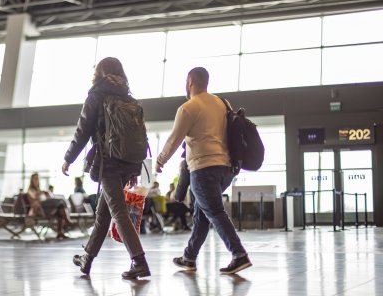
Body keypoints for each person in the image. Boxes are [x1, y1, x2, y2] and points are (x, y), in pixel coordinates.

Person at [155, 66, 251, 275]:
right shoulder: (222, 103)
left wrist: (160, 161)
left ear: (190, 81)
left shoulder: (189, 108)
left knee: (214, 212)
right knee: (202, 215)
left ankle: (239, 254)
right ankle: (189, 257)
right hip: (225, 169)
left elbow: (174, 140)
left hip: (203, 169)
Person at [63, 56, 150, 279]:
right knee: (104, 215)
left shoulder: (96, 95)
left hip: (109, 162)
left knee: (118, 211)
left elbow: (82, 131)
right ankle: (87, 259)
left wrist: (68, 158)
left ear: (99, 73)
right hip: (128, 161)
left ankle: (139, 261)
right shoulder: (129, 98)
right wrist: (135, 168)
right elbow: (138, 136)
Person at [26, 173, 71, 239]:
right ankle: (68, 221)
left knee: (60, 210)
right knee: (60, 201)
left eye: (38, 179)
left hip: (47, 208)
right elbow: (36, 198)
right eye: (35, 179)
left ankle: (60, 232)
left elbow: (46, 198)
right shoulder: (30, 190)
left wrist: (46, 194)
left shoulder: (40, 190)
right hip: (40, 209)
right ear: (32, 180)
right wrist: (42, 193)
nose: (37, 180)